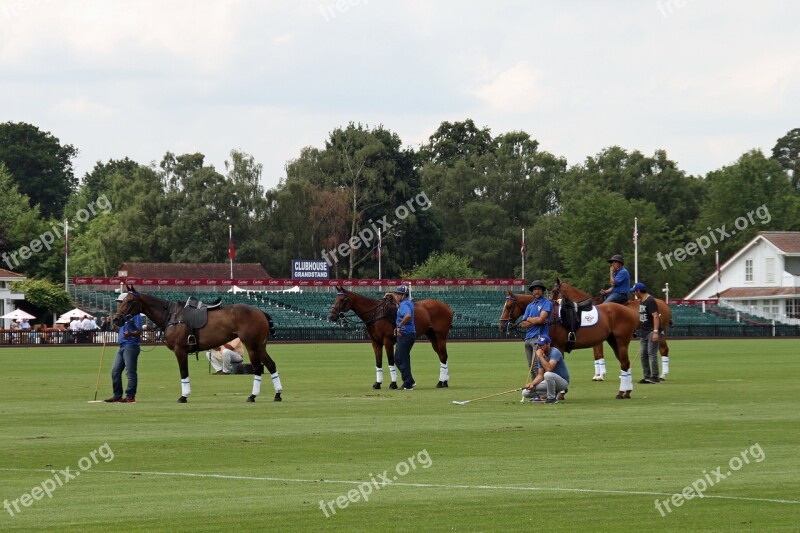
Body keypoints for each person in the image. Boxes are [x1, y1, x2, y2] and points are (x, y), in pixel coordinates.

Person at [105, 293, 142, 403]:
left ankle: (130, 396)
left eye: (121, 303)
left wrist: (130, 334)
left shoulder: (135, 315)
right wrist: (110, 323)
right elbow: (117, 330)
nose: (120, 305)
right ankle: (117, 395)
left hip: (131, 345)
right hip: (121, 346)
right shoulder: (121, 315)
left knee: (130, 372)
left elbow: (139, 331)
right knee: (115, 371)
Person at [520, 280, 553, 381]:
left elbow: (542, 319)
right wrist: (535, 320)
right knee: (531, 366)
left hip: (539, 339)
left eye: (539, 289)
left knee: (536, 366)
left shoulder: (546, 303)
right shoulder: (530, 306)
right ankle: (535, 390)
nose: (537, 291)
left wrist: (529, 319)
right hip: (528, 338)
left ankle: (541, 391)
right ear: (532, 292)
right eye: (535, 289)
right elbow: (523, 324)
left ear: (542, 291)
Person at [522, 334, 570, 403]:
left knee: (547, 374)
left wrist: (540, 357)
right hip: (550, 382)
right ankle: (545, 396)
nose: (540, 347)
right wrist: (532, 384)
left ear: (548, 344)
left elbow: (549, 368)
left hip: (562, 382)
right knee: (525, 392)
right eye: (539, 345)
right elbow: (540, 375)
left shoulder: (555, 352)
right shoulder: (541, 355)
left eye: (542, 345)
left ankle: (551, 398)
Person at [633, 282, 661, 384]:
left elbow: (656, 316)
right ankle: (647, 376)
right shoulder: (641, 301)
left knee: (651, 354)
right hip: (644, 331)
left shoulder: (650, 301)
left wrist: (655, 332)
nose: (634, 293)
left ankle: (655, 377)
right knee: (643, 355)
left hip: (651, 331)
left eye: (635, 291)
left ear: (638, 291)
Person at [391, 285, 416, 390]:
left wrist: (399, 326)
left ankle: (408, 384)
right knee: (397, 358)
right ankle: (410, 380)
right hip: (409, 334)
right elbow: (401, 305)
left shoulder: (404, 304)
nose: (396, 296)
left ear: (403, 295)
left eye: (398, 294)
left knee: (402, 359)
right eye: (396, 294)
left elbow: (408, 315)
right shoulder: (407, 302)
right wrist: (392, 296)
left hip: (405, 334)